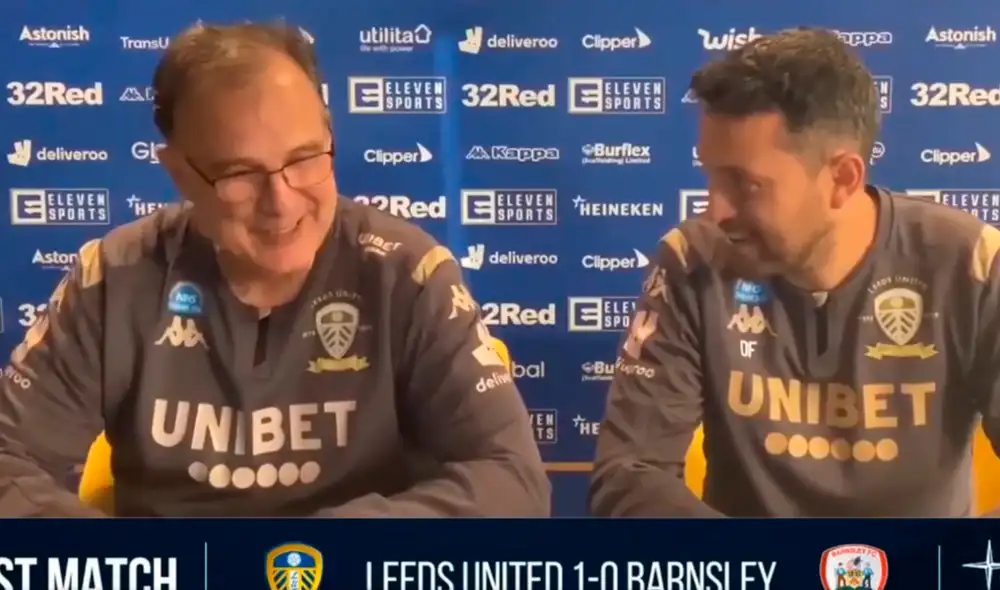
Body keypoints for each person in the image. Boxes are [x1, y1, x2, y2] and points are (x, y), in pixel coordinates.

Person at [0, 21, 549, 517]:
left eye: (305, 158)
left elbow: (511, 479)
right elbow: (8, 461)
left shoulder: (408, 274)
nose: (281, 202)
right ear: (180, 173)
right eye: (240, 173)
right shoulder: (113, 279)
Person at [589, 27, 1000, 517]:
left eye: (744, 184)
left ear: (842, 179)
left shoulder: (973, 265)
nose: (716, 210)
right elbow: (630, 474)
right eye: (712, 177)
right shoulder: (691, 263)